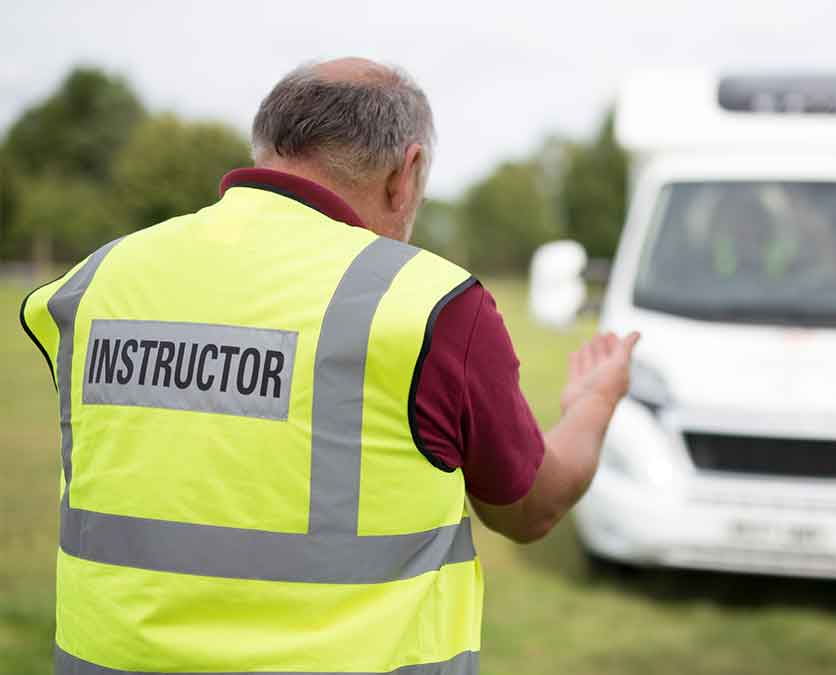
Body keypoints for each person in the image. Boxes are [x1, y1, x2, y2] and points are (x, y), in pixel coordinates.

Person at [20, 57, 638, 675]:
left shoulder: (95, 280)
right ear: (408, 172)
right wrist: (594, 400)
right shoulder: (431, 304)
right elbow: (533, 508)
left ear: (267, 148)